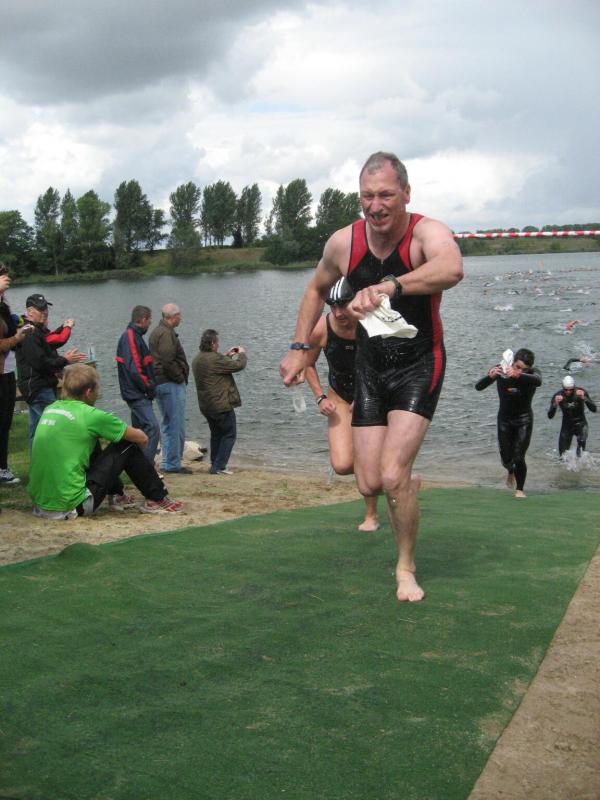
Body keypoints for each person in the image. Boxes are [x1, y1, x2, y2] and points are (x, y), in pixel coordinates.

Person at [279, 151, 463, 602]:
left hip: (419, 364)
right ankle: (403, 487)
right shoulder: (344, 243)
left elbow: (451, 268)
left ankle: (405, 567)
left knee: (393, 474)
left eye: (385, 195)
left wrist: (390, 286)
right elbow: (316, 288)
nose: (375, 206)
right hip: (370, 368)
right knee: (369, 483)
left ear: (406, 193)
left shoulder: (426, 232)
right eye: (367, 196)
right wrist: (300, 348)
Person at [28, 364, 183, 518]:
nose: (98, 394)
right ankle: (157, 498)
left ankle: (117, 495)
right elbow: (141, 438)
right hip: (73, 506)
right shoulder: (91, 415)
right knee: (127, 445)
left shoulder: (51, 409)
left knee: (91, 440)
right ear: (88, 392)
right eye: (97, 389)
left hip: (41, 505)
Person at [304, 277, 380, 532]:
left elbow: (390, 365)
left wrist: (369, 395)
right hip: (338, 397)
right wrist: (320, 397)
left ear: (356, 300)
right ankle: (396, 478)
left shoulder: (372, 324)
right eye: (332, 306)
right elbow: (307, 363)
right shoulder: (322, 328)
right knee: (343, 464)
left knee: (365, 458)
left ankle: (371, 515)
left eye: (343, 305)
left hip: (372, 395)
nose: (338, 313)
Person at [15, 293, 86, 446]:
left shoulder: (36, 330)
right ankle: (63, 457)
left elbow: (49, 345)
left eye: (46, 308)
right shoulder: (29, 333)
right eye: (41, 309)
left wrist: (63, 327)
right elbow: (41, 363)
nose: (45, 312)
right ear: (30, 312)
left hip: (38, 386)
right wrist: (65, 360)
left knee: (37, 431)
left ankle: (38, 461)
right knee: (57, 425)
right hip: (38, 387)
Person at [475, 348, 542, 498]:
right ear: (512, 362)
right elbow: (478, 387)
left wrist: (519, 374)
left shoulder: (533, 373)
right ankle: (510, 471)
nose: (520, 370)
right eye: (517, 367)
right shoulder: (501, 370)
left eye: (524, 369)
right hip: (504, 420)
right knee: (506, 459)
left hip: (524, 419)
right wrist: (490, 376)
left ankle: (520, 489)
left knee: (519, 456)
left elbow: (538, 381)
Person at [192, 329, 247, 476]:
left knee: (216, 434)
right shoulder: (215, 359)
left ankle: (214, 464)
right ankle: (220, 466)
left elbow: (216, 367)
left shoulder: (197, 359)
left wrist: (227, 356)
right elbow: (239, 366)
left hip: (206, 405)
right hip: (220, 405)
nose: (218, 345)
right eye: (217, 342)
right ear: (212, 343)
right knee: (229, 434)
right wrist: (242, 353)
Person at [0, 269, 34, 485]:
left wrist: (22, 327)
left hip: (7, 372)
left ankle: (2, 468)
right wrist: (16, 338)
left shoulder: (3, 307)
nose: (6, 281)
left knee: (5, 423)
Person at [149, 303, 191, 475]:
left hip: (161, 383)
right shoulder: (166, 334)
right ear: (173, 317)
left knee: (167, 423)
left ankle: (168, 461)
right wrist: (179, 377)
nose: (181, 318)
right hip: (169, 383)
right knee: (175, 424)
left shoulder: (158, 331)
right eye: (179, 315)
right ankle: (172, 464)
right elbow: (167, 361)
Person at [116, 305, 160, 465]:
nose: (150, 323)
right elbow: (135, 369)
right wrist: (149, 387)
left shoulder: (135, 336)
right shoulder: (130, 337)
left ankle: (135, 466)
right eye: (149, 320)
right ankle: (145, 469)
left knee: (139, 433)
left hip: (137, 393)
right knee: (153, 428)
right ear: (142, 320)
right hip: (137, 394)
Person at [548, 375, 596, 457]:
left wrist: (584, 398)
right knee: (562, 455)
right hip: (567, 426)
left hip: (581, 424)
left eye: (571, 389)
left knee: (581, 445)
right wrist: (555, 404)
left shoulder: (580, 392)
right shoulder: (558, 395)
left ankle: (580, 462)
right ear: (563, 388)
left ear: (574, 387)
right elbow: (550, 416)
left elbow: (594, 409)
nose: (568, 392)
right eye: (566, 389)